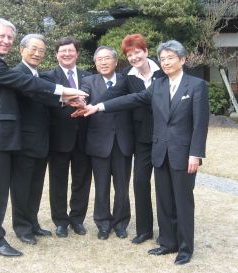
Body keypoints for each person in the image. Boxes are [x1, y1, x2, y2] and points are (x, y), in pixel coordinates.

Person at [75, 40, 209, 264]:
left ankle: (185, 248)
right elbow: (131, 99)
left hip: (183, 154)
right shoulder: (158, 86)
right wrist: (98, 106)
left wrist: (196, 153)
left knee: (182, 202)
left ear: (183, 60)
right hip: (160, 150)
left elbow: (200, 124)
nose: (166, 62)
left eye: (170, 58)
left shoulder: (196, 85)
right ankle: (167, 243)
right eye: (163, 58)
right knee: (164, 199)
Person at [0, 18, 87, 257]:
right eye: (2, 36)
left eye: (9, 37)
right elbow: (26, 83)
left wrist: (63, 99)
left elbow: (32, 90)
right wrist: (64, 90)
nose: (6, 41)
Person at [80, 46, 134, 240]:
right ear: (95, 63)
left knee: (122, 186)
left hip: (123, 142)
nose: (103, 62)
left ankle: (121, 223)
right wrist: (80, 101)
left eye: (107, 58)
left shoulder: (127, 81)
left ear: (116, 61)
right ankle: (103, 223)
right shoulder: (88, 82)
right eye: (99, 59)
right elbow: (82, 96)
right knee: (101, 186)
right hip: (99, 142)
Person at [42, 37, 92, 238]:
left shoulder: (88, 76)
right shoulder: (48, 77)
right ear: (56, 54)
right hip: (58, 138)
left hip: (84, 139)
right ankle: (61, 221)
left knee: (82, 181)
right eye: (62, 51)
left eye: (70, 50)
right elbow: (46, 101)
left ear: (77, 53)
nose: (67, 54)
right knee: (58, 181)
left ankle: (77, 220)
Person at [10, 34, 57, 246]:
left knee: (36, 186)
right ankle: (22, 227)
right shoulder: (17, 74)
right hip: (24, 143)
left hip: (41, 142)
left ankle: (33, 223)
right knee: (21, 187)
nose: (38, 54)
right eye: (34, 49)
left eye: (42, 51)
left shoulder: (39, 75)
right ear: (22, 49)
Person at [121, 34, 165, 245]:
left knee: (165, 185)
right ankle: (144, 230)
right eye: (129, 54)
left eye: (137, 52)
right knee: (140, 182)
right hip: (142, 139)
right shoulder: (127, 76)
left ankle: (166, 231)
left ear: (146, 51)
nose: (134, 57)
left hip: (165, 137)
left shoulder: (163, 72)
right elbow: (116, 97)